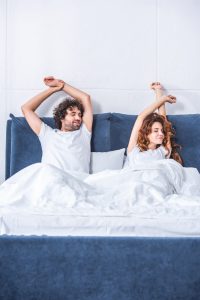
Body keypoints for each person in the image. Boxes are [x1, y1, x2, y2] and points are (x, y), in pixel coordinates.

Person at [21, 76, 93, 174]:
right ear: (61, 117)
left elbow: (85, 98)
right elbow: (26, 108)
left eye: (80, 115)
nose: (78, 118)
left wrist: (62, 86)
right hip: (52, 180)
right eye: (73, 114)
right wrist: (53, 89)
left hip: (77, 182)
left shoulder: (84, 132)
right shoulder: (47, 133)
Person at [126, 82, 182, 167]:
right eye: (156, 130)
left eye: (162, 131)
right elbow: (141, 117)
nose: (161, 134)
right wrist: (162, 98)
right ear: (146, 133)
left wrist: (159, 92)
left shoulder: (164, 151)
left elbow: (163, 119)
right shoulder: (134, 149)